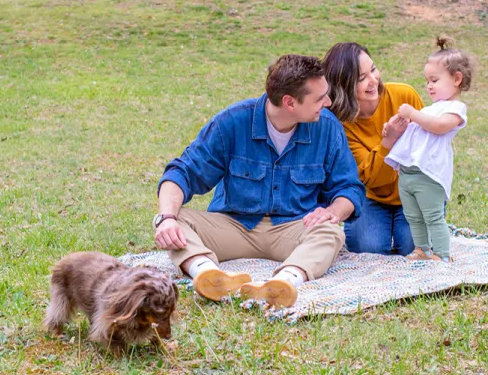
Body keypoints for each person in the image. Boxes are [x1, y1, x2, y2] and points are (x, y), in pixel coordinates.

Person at [153, 54, 364, 308]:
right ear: (290, 102)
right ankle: (208, 274)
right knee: (173, 219)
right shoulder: (232, 122)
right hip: (234, 226)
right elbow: (182, 173)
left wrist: (333, 212)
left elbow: (349, 188)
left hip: (294, 228)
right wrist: (167, 218)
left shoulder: (328, 127)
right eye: (320, 98)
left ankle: (284, 282)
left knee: (331, 230)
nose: (328, 102)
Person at [323, 42, 424, 256]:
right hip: (371, 195)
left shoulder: (404, 96)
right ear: (343, 85)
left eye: (373, 69)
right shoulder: (341, 124)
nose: (373, 80)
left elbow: (429, 147)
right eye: (361, 78)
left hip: (414, 192)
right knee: (368, 249)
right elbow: (371, 179)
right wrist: (389, 141)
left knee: (413, 247)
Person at [386, 38, 474, 262]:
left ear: (457, 79)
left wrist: (413, 114)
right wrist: (395, 128)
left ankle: (442, 254)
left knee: (433, 216)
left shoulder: (455, 109)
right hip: (408, 173)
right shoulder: (430, 109)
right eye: (427, 81)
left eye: (434, 80)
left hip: (429, 173)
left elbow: (439, 126)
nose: (429, 86)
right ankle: (421, 249)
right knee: (413, 216)